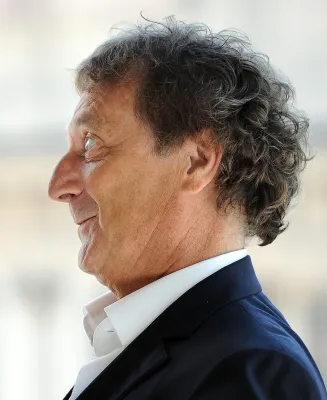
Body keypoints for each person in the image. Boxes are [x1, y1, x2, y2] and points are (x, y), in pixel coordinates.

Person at [48, 18, 327, 400]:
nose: (57, 187)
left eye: (92, 145)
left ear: (196, 162)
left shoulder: (251, 369)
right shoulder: (198, 352)